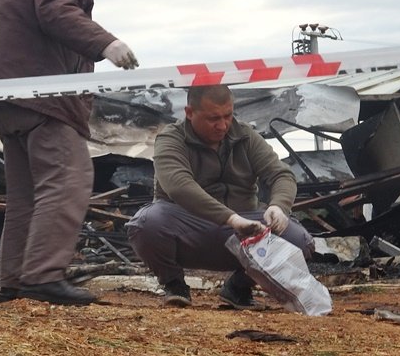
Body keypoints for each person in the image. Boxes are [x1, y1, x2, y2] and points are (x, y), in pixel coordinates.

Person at [0, 0, 138, 306]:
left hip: (0, 93)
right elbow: (56, 8)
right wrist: (105, 44)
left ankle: (14, 282)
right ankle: (41, 277)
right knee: (68, 180)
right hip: (43, 93)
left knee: (26, 193)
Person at [126, 85, 315, 309]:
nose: (223, 125)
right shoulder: (171, 139)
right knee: (146, 223)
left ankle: (238, 286)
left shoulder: (245, 136)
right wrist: (231, 219)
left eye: (228, 115)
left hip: (246, 227)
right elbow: (179, 186)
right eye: (213, 118)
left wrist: (279, 206)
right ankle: (174, 284)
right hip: (191, 228)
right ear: (189, 112)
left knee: (300, 241)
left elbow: (281, 174)